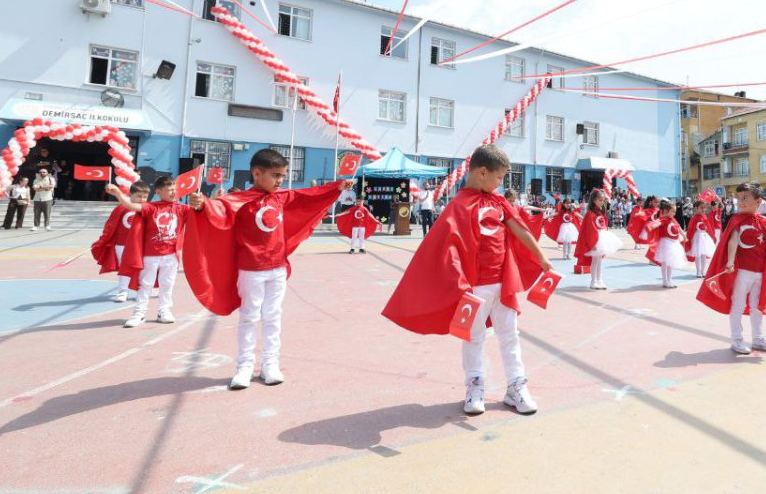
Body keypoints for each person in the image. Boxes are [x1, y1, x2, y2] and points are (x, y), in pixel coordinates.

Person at [382, 144, 553, 416]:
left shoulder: (499, 202)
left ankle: (516, 386)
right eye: (499, 177)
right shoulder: (458, 205)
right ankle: (475, 385)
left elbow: (520, 230)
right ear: (482, 172)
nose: (501, 183)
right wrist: (461, 284)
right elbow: (447, 248)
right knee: (473, 337)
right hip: (475, 288)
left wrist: (541, 258)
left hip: (504, 285)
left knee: (510, 335)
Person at [182, 148, 344, 390]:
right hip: (251, 270)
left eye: (283, 176)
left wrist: (336, 187)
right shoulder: (239, 201)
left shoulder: (281, 198)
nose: (280, 181)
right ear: (257, 174)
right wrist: (200, 205)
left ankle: (270, 364)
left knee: (273, 316)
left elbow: (309, 196)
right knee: (249, 316)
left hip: (277, 268)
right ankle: (244, 366)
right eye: (275, 175)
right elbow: (217, 209)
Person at [696, 183, 766, 354]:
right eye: (739, 198)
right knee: (738, 304)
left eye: (745, 198)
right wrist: (730, 261)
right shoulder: (737, 220)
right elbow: (733, 240)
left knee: (757, 306)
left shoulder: (764, 221)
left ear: (758, 201)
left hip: (760, 272)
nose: (741, 201)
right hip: (742, 273)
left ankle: (758, 338)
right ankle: (736, 339)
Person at [106, 175, 193, 328]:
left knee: (168, 284)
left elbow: (200, 210)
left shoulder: (182, 208)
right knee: (146, 284)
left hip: (171, 255)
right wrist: (118, 193)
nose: (173, 192)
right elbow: (131, 205)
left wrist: (212, 198)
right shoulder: (151, 207)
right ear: (158, 191)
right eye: (169, 190)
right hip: (150, 255)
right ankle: (139, 313)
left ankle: (164, 311)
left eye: (174, 189)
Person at [91, 181, 151, 303]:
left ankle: (142, 290)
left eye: (145, 197)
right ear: (130, 194)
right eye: (139, 196)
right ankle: (123, 291)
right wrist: (104, 240)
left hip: (140, 246)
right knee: (124, 268)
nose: (142, 199)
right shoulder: (121, 208)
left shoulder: (148, 209)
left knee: (143, 269)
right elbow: (111, 225)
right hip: (122, 244)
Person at [574, 189, 621, 290]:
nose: (602, 202)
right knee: (595, 261)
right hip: (595, 240)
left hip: (601, 237)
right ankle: (593, 281)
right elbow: (589, 229)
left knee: (599, 261)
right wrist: (593, 243)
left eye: (603, 200)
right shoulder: (590, 214)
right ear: (594, 200)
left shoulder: (600, 212)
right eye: (600, 200)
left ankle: (599, 280)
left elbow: (603, 225)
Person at [647, 199, 688, 289]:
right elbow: (657, 223)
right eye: (672, 211)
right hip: (666, 243)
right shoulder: (664, 219)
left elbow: (678, 227)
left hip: (674, 243)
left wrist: (684, 235)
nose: (674, 213)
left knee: (671, 263)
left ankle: (670, 280)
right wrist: (652, 225)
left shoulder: (673, 219)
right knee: (665, 263)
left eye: (675, 211)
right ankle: (665, 281)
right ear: (666, 211)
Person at [685, 199, 717, 277]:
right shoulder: (694, 218)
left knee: (704, 255)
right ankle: (698, 271)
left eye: (704, 207)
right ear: (696, 208)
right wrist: (689, 239)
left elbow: (708, 227)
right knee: (698, 255)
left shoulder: (705, 217)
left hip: (704, 237)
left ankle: (703, 271)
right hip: (697, 238)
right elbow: (690, 229)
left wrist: (712, 236)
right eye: (701, 207)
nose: (703, 209)